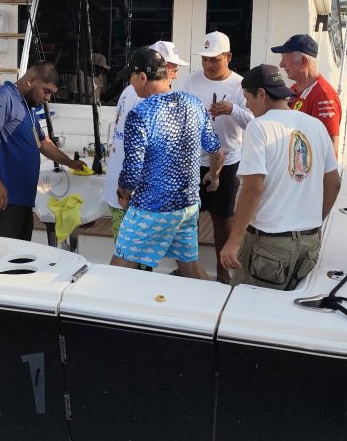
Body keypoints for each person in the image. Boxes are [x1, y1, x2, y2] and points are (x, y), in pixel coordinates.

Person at [220, 65, 340, 290]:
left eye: (247, 98)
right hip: (310, 243)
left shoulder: (258, 127)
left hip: (269, 245)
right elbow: (334, 184)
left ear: (262, 94)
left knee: (248, 303)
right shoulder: (316, 125)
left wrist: (234, 241)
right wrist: (313, 221)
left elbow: (252, 190)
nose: (247, 105)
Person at [113, 49, 221, 278]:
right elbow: (216, 149)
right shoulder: (194, 103)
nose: (130, 84)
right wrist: (214, 174)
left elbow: (132, 170)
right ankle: (214, 299)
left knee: (118, 268)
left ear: (142, 77)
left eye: (131, 78)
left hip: (152, 207)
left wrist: (123, 194)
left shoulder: (140, 114)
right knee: (189, 265)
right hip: (188, 205)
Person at [0, 62, 89, 240]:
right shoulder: (1, 99)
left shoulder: (27, 107)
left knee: (20, 257)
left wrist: (71, 163)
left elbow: (42, 143)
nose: (48, 98)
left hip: (21, 203)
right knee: (1, 257)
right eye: (46, 91)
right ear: (31, 80)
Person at [179, 31, 253, 283]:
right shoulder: (190, 81)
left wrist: (232, 110)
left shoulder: (240, 85)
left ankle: (223, 273)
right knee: (188, 218)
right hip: (192, 160)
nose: (208, 65)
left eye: (214, 59)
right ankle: (190, 270)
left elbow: (253, 123)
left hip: (228, 161)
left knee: (222, 220)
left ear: (228, 57)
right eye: (205, 59)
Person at [103, 41, 189, 239]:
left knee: (125, 251)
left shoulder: (130, 91)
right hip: (134, 197)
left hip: (122, 189)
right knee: (130, 254)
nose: (175, 75)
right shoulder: (146, 98)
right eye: (172, 68)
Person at [271, 34, 342, 152]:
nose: (281, 64)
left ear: (303, 61)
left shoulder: (324, 96)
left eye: (285, 59)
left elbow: (330, 147)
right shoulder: (295, 88)